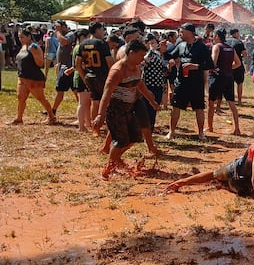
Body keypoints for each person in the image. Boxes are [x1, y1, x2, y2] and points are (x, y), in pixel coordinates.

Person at [168, 129, 254, 204]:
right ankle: (227, 186)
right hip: (241, 180)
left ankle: (181, 183)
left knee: (214, 174)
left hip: (236, 165)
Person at [92, 40, 159, 180]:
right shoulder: (118, 71)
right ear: (131, 53)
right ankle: (108, 169)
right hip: (115, 109)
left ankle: (116, 160)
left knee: (134, 137)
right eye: (141, 55)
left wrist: (152, 101)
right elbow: (106, 93)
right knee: (120, 140)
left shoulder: (136, 68)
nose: (142, 59)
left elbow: (140, 85)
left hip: (129, 107)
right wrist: (100, 115)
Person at [166, 23, 214, 140]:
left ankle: (201, 133)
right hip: (181, 81)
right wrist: (166, 55)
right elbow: (171, 56)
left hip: (196, 82)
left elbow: (210, 64)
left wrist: (195, 66)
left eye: (182, 32)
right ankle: (171, 132)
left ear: (190, 32)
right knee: (175, 106)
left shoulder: (201, 47)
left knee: (199, 107)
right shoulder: (180, 45)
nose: (180, 34)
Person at [8, 28, 56, 125]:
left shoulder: (34, 47)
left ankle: (51, 116)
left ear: (29, 36)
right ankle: (19, 118)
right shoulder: (23, 47)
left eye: (22, 37)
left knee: (40, 98)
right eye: (19, 37)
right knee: (21, 97)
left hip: (33, 78)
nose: (20, 39)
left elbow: (40, 63)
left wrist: (34, 54)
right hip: (22, 77)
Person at [75, 22, 114, 132]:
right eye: (102, 30)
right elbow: (109, 62)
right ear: (97, 30)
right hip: (103, 76)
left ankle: (95, 129)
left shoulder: (82, 44)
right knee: (107, 102)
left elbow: (77, 64)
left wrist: (84, 77)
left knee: (95, 102)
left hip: (89, 76)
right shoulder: (101, 43)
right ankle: (110, 128)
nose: (103, 32)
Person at [207, 27, 242, 135]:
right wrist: (228, 68)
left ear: (217, 36)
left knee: (211, 102)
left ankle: (210, 127)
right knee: (231, 103)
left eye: (213, 36)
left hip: (217, 77)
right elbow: (238, 63)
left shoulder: (217, 47)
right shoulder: (231, 48)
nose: (212, 38)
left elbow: (213, 63)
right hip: (229, 77)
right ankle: (237, 129)